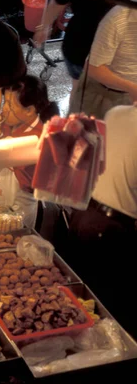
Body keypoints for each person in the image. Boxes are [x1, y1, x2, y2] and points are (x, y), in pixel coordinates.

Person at [64, 104, 137, 337]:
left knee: (75, 297)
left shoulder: (115, 113)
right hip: (112, 230)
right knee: (105, 311)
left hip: (83, 214)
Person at [0, 75, 60, 229]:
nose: (4, 108)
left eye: (9, 104)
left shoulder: (37, 139)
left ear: (29, 111)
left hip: (17, 213)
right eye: (4, 102)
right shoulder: (11, 120)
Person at [33, 0, 128, 97]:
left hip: (79, 44)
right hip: (96, 47)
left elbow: (59, 2)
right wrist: (44, 27)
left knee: (80, 91)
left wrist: (44, 27)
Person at [69, 3, 137, 119]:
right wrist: (131, 87)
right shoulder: (118, 19)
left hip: (130, 95)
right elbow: (94, 68)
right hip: (102, 94)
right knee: (88, 133)